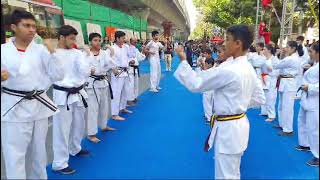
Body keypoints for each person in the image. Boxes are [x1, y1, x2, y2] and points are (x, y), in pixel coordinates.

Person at [174, 24, 265, 179]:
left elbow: (196, 83)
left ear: (238, 44)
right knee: (232, 172)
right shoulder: (246, 66)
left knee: (225, 175)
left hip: (229, 129)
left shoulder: (229, 70)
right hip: (238, 124)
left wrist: (183, 60)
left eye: (227, 39)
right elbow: (259, 98)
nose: (224, 43)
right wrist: (239, 105)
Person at [1, 10, 63, 179]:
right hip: (14, 108)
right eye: (26, 25)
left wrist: (53, 53)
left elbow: (58, 75)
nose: (31, 30)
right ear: (14, 27)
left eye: (34, 26)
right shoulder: (3, 50)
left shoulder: (41, 50)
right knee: (14, 155)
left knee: (39, 153)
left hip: (39, 106)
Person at [51, 25, 92, 174]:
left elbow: (85, 72)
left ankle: (75, 148)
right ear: (61, 37)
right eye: (71, 38)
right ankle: (59, 163)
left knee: (78, 124)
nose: (73, 41)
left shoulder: (77, 53)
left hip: (79, 92)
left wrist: (86, 56)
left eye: (75, 38)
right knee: (62, 129)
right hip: (63, 95)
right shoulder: (53, 53)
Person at [85, 32, 117, 143]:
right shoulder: (86, 54)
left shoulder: (103, 53)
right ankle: (91, 133)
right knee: (93, 109)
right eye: (95, 40)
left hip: (103, 82)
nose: (98, 42)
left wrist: (114, 68)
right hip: (92, 84)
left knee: (104, 106)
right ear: (90, 42)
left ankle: (103, 125)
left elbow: (110, 62)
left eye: (99, 40)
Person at [296, 43, 319, 167]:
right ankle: (305, 144)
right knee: (302, 121)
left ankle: (318, 155)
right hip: (306, 98)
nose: (309, 54)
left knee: (314, 128)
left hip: (314, 100)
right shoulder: (314, 64)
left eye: (311, 51)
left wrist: (309, 87)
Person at [273, 41, 302, 136]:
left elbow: (276, 65)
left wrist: (276, 55)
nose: (286, 49)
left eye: (287, 47)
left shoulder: (292, 59)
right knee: (281, 105)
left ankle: (288, 129)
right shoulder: (290, 58)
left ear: (293, 49)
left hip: (289, 83)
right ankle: (282, 124)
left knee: (287, 107)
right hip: (284, 82)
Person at [110, 31, 133, 121]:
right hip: (117, 71)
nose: (125, 40)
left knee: (125, 90)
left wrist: (130, 61)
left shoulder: (126, 47)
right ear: (117, 38)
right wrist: (113, 69)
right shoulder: (112, 48)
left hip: (125, 70)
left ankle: (122, 108)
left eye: (124, 38)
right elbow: (109, 60)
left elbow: (128, 56)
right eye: (123, 38)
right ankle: (114, 114)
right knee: (116, 93)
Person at [261, 44, 280, 122]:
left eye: (264, 49)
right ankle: (265, 111)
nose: (263, 51)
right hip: (264, 78)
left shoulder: (275, 60)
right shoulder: (264, 59)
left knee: (271, 97)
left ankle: (272, 115)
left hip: (272, 79)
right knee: (264, 95)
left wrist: (271, 70)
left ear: (269, 50)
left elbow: (277, 72)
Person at [127, 37, 147, 106]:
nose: (136, 43)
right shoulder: (127, 49)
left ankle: (135, 97)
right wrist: (129, 61)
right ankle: (129, 100)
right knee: (130, 85)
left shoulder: (135, 49)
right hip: (130, 69)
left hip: (135, 69)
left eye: (136, 42)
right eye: (134, 42)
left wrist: (143, 51)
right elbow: (125, 59)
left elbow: (140, 58)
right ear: (131, 42)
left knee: (136, 84)